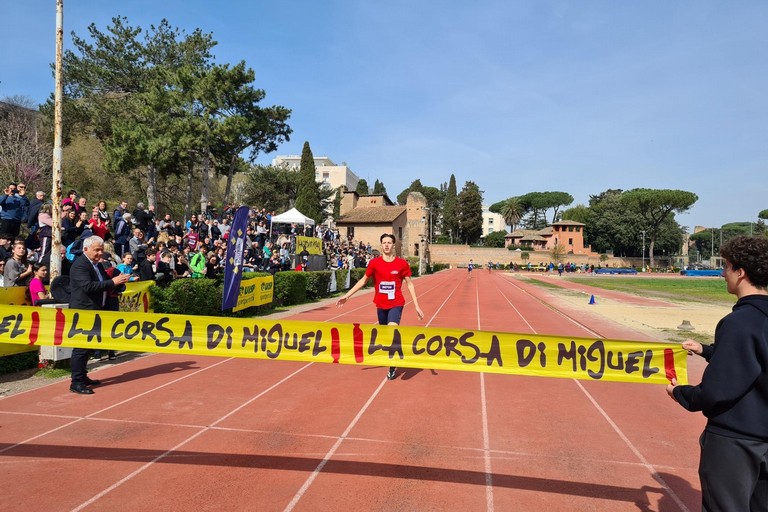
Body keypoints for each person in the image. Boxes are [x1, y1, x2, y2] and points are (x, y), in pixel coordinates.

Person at [666, 236, 768, 511]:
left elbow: (716, 391)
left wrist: (681, 393)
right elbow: (757, 359)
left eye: (726, 266)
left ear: (741, 272)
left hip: (735, 439)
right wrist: (707, 350)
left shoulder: (739, 322)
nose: (723, 274)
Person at [336, 233, 424, 380]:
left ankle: (392, 365)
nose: (387, 245)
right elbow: (363, 281)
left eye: (389, 242)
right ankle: (396, 350)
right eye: (384, 242)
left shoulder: (401, 264)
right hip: (380, 305)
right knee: (385, 336)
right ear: (381, 245)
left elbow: (410, 284)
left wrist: (416, 305)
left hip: (396, 303)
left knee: (391, 330)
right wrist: (347, 296)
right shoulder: (374, 263)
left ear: (393, 245)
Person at [68, 235, 131, 394]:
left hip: (96, 310)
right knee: (81, 347)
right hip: (83, 311)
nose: (99, 253)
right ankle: (76, 382)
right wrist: (114, 282)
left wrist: (118, 285)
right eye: (96, 250)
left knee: (88, 346)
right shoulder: (80, 266)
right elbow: (88, 287)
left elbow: (104, 284)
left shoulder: (97, 265)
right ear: (85, 249)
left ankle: (82, 376)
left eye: (101, 250)